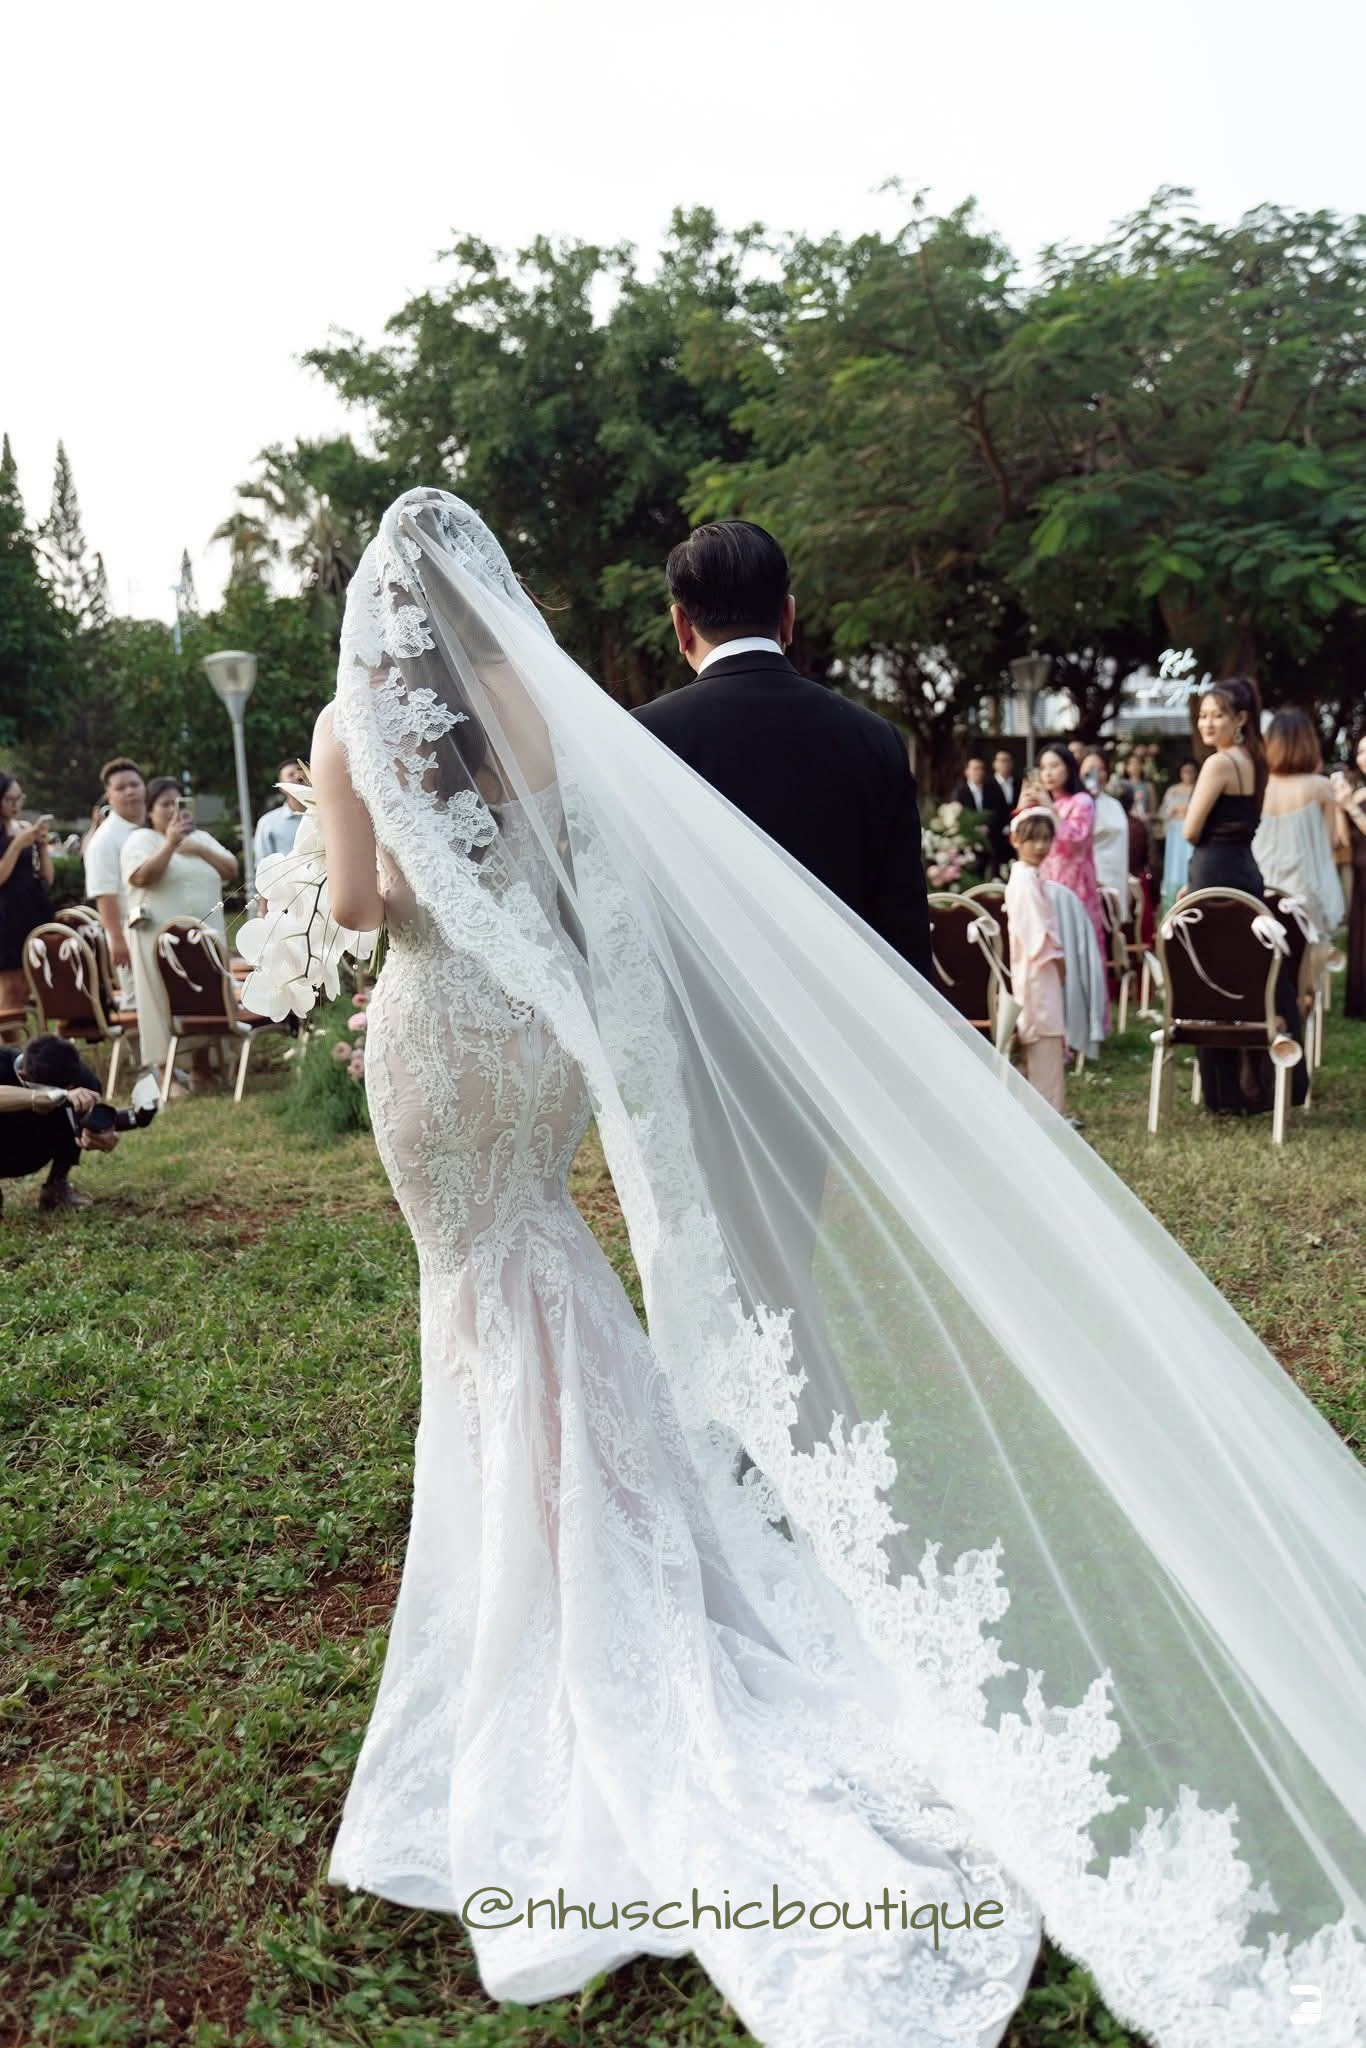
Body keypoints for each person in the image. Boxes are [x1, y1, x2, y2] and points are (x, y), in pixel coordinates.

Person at [277, 490, 1364, 2048]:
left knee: (498, 1286)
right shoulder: (610, 720)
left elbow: (384, 902)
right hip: (683, 1074)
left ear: (676, 621)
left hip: (487, 1043)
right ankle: (694, 1463)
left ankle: (610, 1511)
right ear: (787, 611)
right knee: (587, 1271)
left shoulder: (455, 724)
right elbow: (852, 936)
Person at [633, 521, 934, 978]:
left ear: (681, 625)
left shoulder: (642, 738)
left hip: (703, 1028)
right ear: (788, 617)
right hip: (849, 1022)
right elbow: (904, 928)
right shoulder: (876, 738)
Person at [1181, 676, 1304, 1114]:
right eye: (1203, 715)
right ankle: (1260, 1078)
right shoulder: (1255, 761)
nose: (1207, 724)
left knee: (1214, 978)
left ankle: (1227, 1088)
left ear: (1241, 719)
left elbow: (1191, 830)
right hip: (1245, 873)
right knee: (1250, 976)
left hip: (1214, 872)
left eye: (1217, 715)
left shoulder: (1218, 764)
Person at [121, 778, 239, 1085]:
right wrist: (171, 844)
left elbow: (231, 869)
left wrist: (198, 847)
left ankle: (204, 1067)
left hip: (205, 933)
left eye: (179, 803)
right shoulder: (141, 840)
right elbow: (142, 877)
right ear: (150, 811)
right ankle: (166, 1073)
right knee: (165, 999)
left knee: (206, 993)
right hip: (161, 939)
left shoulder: (200, 838)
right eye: (165, 805)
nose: (174, 811)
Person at [1252, 711, 1346, 946]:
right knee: (1304, 973)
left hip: (1258, 891)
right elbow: (1329, 844)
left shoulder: (1256, 786)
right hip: (1304, 895)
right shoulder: (1321, 788)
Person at [0, 1031, 119, 1214]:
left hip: (40, 1145)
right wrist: (42, 1097)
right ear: (24, 1076)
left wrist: (97, 1133)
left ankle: (56, 1185)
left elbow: (89, 1125)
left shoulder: (79, 1077)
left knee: (76, 1108)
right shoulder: (4, 1063)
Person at [1005, 809, 1066, 1112]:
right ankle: (1047, 1114)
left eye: (1046, 840)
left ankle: (1045, 1109)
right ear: (1016, 840)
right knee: (1044, 1040)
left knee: (1047, 1044)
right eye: (1033, 840)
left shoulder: (1030, 876)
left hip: (1039, 973)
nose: (1040, 847)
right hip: (1038, 973)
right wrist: (1059, 961)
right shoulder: (1024, 879)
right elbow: (1036, 936)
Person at [83, 757, 147, 1008]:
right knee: (139, 1008)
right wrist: (118, 941)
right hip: (129, 936)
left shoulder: (157, 826)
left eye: (134, 784)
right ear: (109, 796)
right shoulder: (104, 840)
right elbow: (104, 894)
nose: (130, 791)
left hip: (166, 935)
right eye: (120, 788)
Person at [1033, 743, 1107, 959]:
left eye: (1054, 766)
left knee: (1076, 947)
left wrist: (1050, 809)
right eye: (1043, 767)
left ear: (1069, 768)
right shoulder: (1041, 804)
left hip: (1076, 885)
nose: (1048, 773)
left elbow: (1076, 839)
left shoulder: (1082, 802)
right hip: (1046, 881)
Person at [0, 773, 55, 1034]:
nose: (15, 805)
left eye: (19, 799)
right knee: (10, 986)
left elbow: (47, 878)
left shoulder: (22, 827)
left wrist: (42, 847)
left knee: (27, 984)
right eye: (9, 799)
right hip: (6, 915)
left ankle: (24, 1043)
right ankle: (10, 1049)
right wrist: (17, 844)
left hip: (31, 910)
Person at [1078, 751, 1129, 910]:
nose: (1094, 773)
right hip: (1090, 875)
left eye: (1100, 769)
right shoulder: (1078, 804)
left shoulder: (1114, 804)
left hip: (1116, 873)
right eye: (1089, 769)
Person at [1338, 731, 1366, 1017]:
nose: (1362, 758)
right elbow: (1346, 840)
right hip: (1359, 869)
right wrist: (1339, 806)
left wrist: (1350, 808)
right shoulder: (1358, 794)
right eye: (1360, 752)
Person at [253, 759, 309, 869]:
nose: (298, 777)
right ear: (281, 787)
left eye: (301, 772)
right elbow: (263, 866)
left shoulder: (325, 816)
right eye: (291, 775)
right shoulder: (268, 823)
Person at [1158, 759, 1198, 908]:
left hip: (1190, 829)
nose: (1188, 775)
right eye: (1185, 771)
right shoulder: (1173, 790)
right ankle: (1170, 905)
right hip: (1175, 832)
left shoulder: (1198, 788)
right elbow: (1163, 814)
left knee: (1189, 862)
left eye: (1191, 771)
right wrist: (1172, 811)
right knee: (1173, 866)